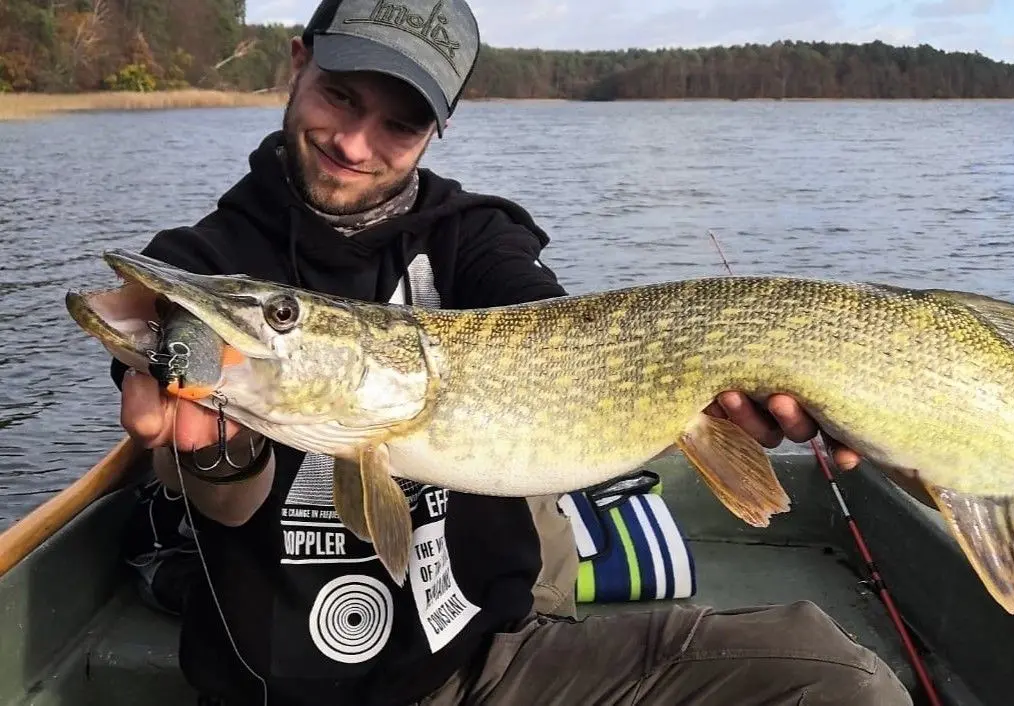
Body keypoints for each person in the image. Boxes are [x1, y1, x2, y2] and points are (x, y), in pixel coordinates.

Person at [112, 0, 912, 704]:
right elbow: (215, 495)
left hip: (495, 664)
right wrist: (215, 456)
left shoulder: (477, 238)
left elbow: (546, 323)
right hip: (277, 685)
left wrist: (714, 396)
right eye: (340, 96)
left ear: (439, 127)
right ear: (298, 61)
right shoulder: (198, 268)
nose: (355, 142)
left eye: (400, 123)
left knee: (842, 681)